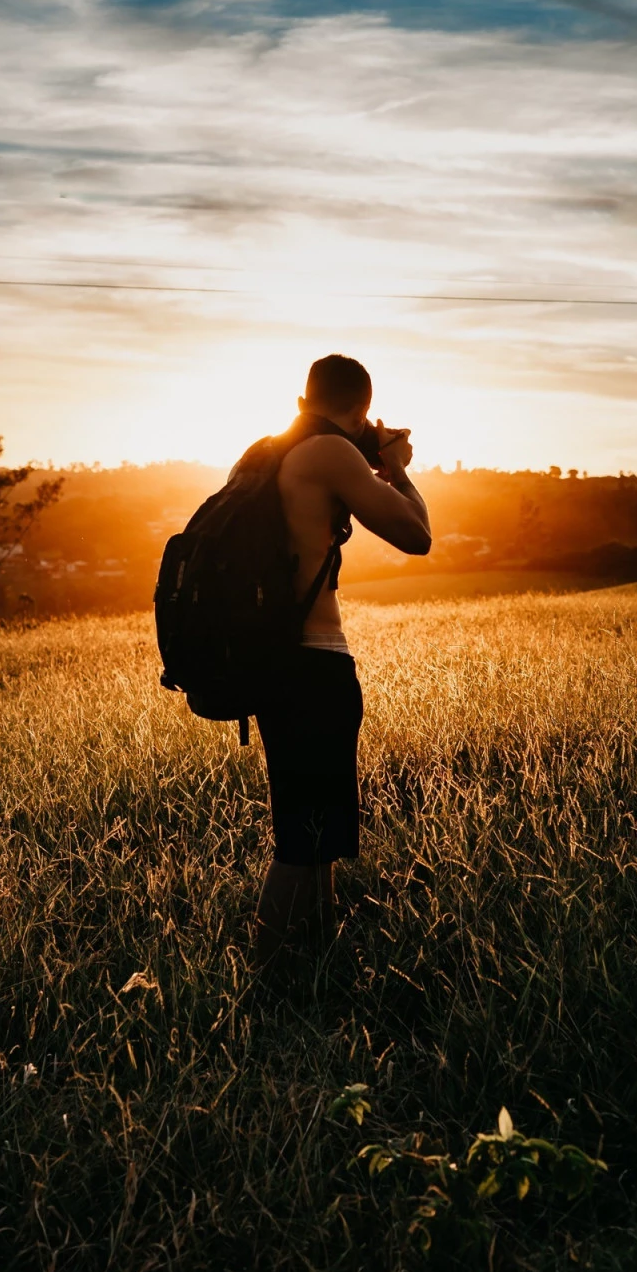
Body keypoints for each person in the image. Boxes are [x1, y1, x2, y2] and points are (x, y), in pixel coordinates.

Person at [251, 354, 431, 969]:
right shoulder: (330, 453)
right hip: (314, 663)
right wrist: (398, 470)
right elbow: (417, 534)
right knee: (301, 843)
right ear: (360, 406)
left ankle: (322, 965)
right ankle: (269, 982)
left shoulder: (270, 450)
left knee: (316, 836)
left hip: (273, 663)